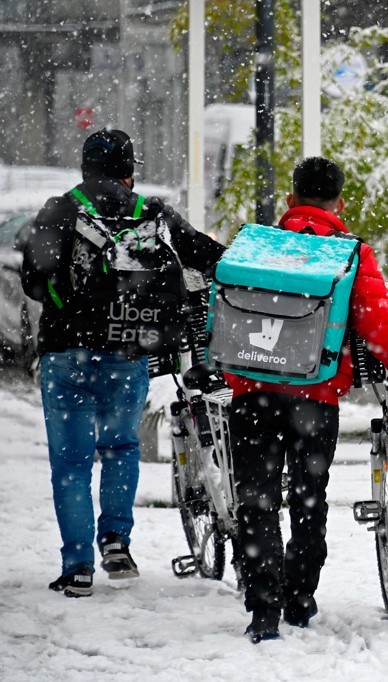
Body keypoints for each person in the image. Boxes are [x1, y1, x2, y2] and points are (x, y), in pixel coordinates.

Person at [19, 128, 225, 598]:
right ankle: (116, 541)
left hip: (65, 353)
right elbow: (203, 255)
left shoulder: (60, 208)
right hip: (127, 350)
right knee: (119, 447)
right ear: (130, 172)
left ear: (84, 167)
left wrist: (69, 301)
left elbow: (34, 281)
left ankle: (77, 565)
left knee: (70, 463)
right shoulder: (150, 212)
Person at [225, 156, 388, 643]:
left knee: (257, 497)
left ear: (290, 199)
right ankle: (300, 596)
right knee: (308, 499)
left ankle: (263, 606)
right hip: (316, 397)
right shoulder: (349, 253)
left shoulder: (257, 246)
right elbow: (377, 320)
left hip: (254, 391)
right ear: (340, 202)